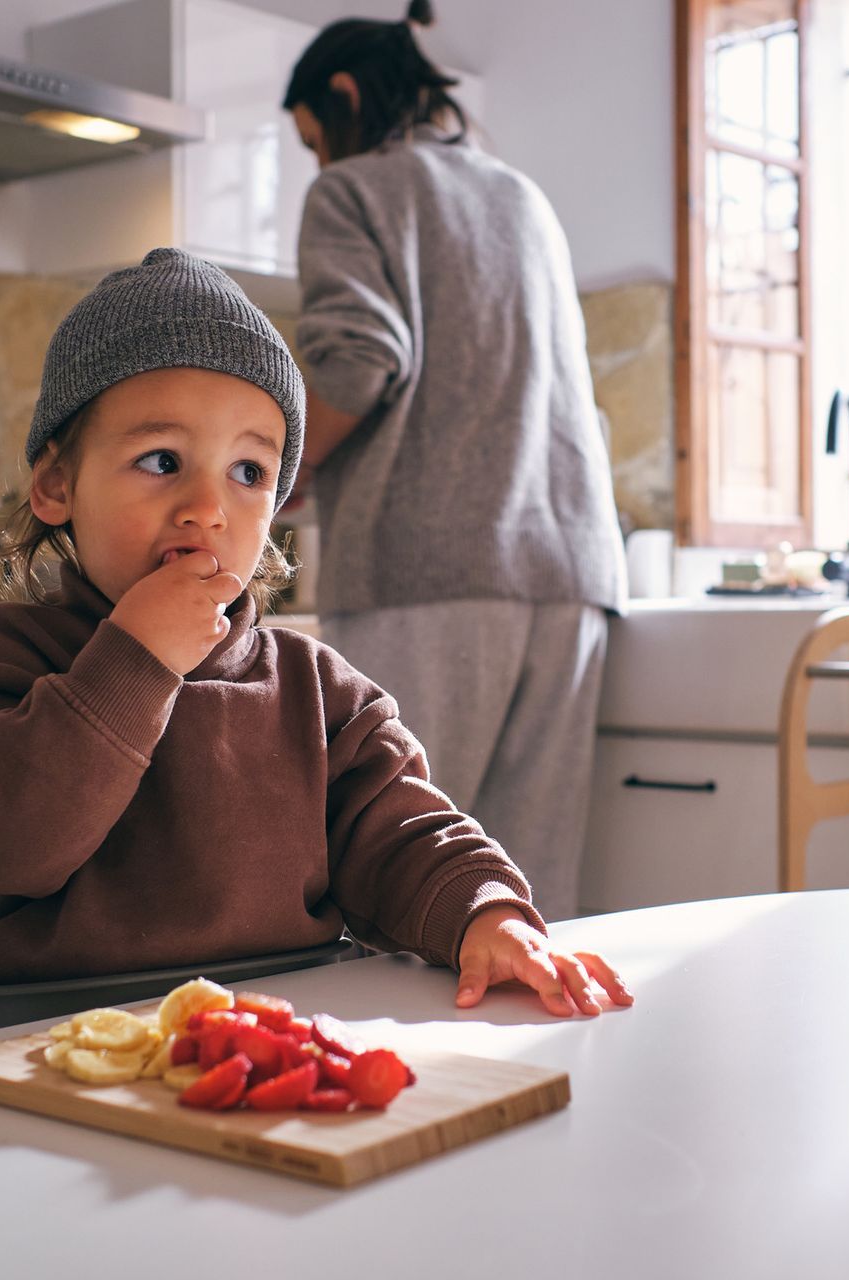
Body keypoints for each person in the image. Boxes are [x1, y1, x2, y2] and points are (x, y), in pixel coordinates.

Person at [0, 248, 630, 1019]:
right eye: (161, 459)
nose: (208, 507)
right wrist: (134, 663)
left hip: (262, 1041)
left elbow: (403, 833)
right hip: (34, 1047)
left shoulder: (316, 691)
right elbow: (7, 846)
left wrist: (486, 914)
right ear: (55, 485)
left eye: (249, 473)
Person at [284, 2, 625, 919]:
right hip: (573, 578)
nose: (320, 164)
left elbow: (359, 358)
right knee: (524, 895)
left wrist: (275, 474)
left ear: (346, 95)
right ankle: (526, 1067)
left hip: (433, 569)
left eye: (317, 139)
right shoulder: (520, 195)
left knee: (388, 871)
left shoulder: (352, 191)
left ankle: (386, 1070)